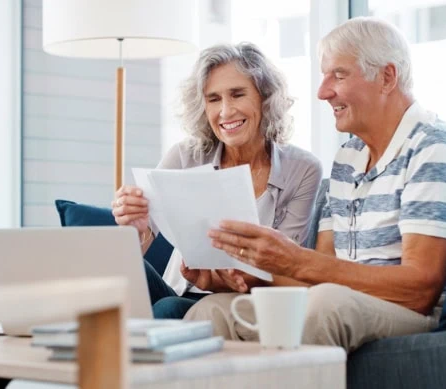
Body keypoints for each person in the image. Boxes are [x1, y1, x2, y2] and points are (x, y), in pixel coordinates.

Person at [184, 17, 446, 352]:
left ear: (387, 77)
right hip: (345, 301)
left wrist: (295, 259)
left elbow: (421, 288)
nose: (322, 92)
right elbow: (317, 273)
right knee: (211, 312)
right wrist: (250, 272)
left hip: (416, 312)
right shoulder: (348, 158)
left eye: (338, 75)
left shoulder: (432, 148)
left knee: (327, 304)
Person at [112, 42, 322, 319]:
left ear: (264, 97)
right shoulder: (185, 156)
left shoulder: (302, 169)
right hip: (177, 290)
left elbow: (286, 269)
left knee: (168, 310)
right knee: (117, 278)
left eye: (237, 95)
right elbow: (139, 244)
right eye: (213, 99)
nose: (225, 111)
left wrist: (220, 279)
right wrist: (136, 227)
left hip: (245, 302)